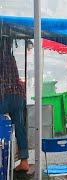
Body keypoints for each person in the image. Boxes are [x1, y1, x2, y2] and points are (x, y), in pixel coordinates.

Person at [0, 37, 29, 173]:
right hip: (18, 96)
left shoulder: (2, 58)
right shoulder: (11, 58)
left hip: (5, 96)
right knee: (20, 128)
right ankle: (24, 161)